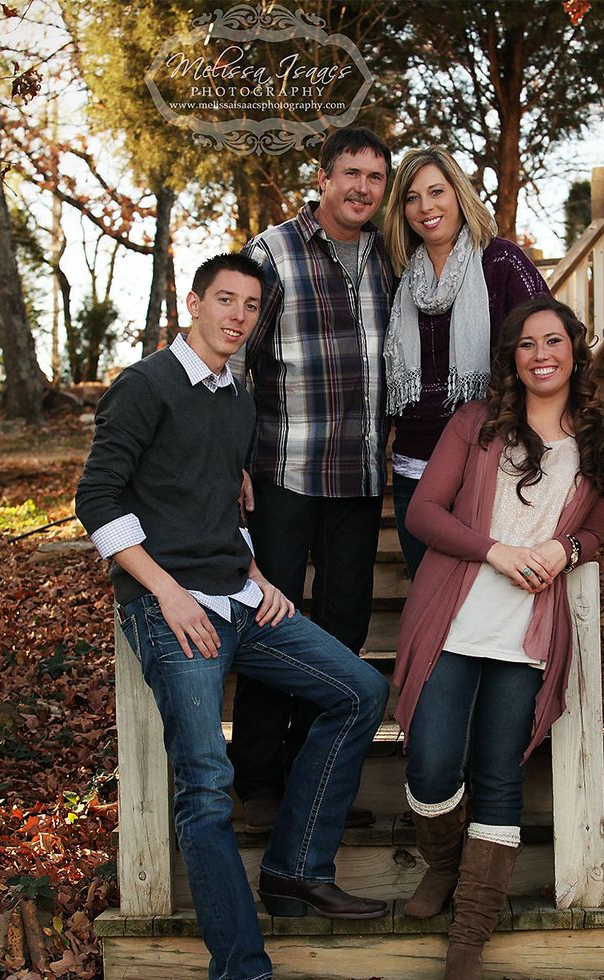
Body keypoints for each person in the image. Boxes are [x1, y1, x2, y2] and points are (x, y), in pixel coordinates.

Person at [75, 253, 389, 980]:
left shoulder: (237, 395)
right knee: (206, 787)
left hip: (239, 596)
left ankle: (295, 867)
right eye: (225, 300)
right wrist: (166, 593)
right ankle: (240, 969)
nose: (238, 316)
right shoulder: (146, 387)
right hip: (170, 607)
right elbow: (96, 499)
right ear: (193, 303)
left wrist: (254, 573)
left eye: (250, 305)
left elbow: (218, 500)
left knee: (359, 689)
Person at [393, 295, 604, 980]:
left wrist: (565, 547)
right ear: (511, 357)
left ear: (574, 350)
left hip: (528, 632)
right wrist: (494, 550)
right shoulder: (477, 424)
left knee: (499, 777)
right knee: (433, 760)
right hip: (456, 616)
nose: (540, 355)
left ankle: (469, 937)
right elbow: (423, 512)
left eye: (552, 341)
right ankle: (442, 861)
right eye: (526, 344)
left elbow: (599, 530)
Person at [230, 127, 394, 832]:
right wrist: (229, 458)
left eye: (375, 178)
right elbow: (235, 358)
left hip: (359, 477)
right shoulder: (273, 253)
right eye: (350, 173)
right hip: (282, 473)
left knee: (343, 628)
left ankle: (314, 778)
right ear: (322, 179)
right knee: (274, 621)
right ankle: (259, 780)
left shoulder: (391, 258)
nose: (362, 188)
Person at [383, 146, 550, 580]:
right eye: (412, 197)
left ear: (459, 194)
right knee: (426, 597)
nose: (426, 207)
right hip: (414, 470)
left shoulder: (502, 262)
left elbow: (549, 346)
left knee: (478, 605)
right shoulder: (399, 277)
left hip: (488, 463)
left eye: (436, 191)